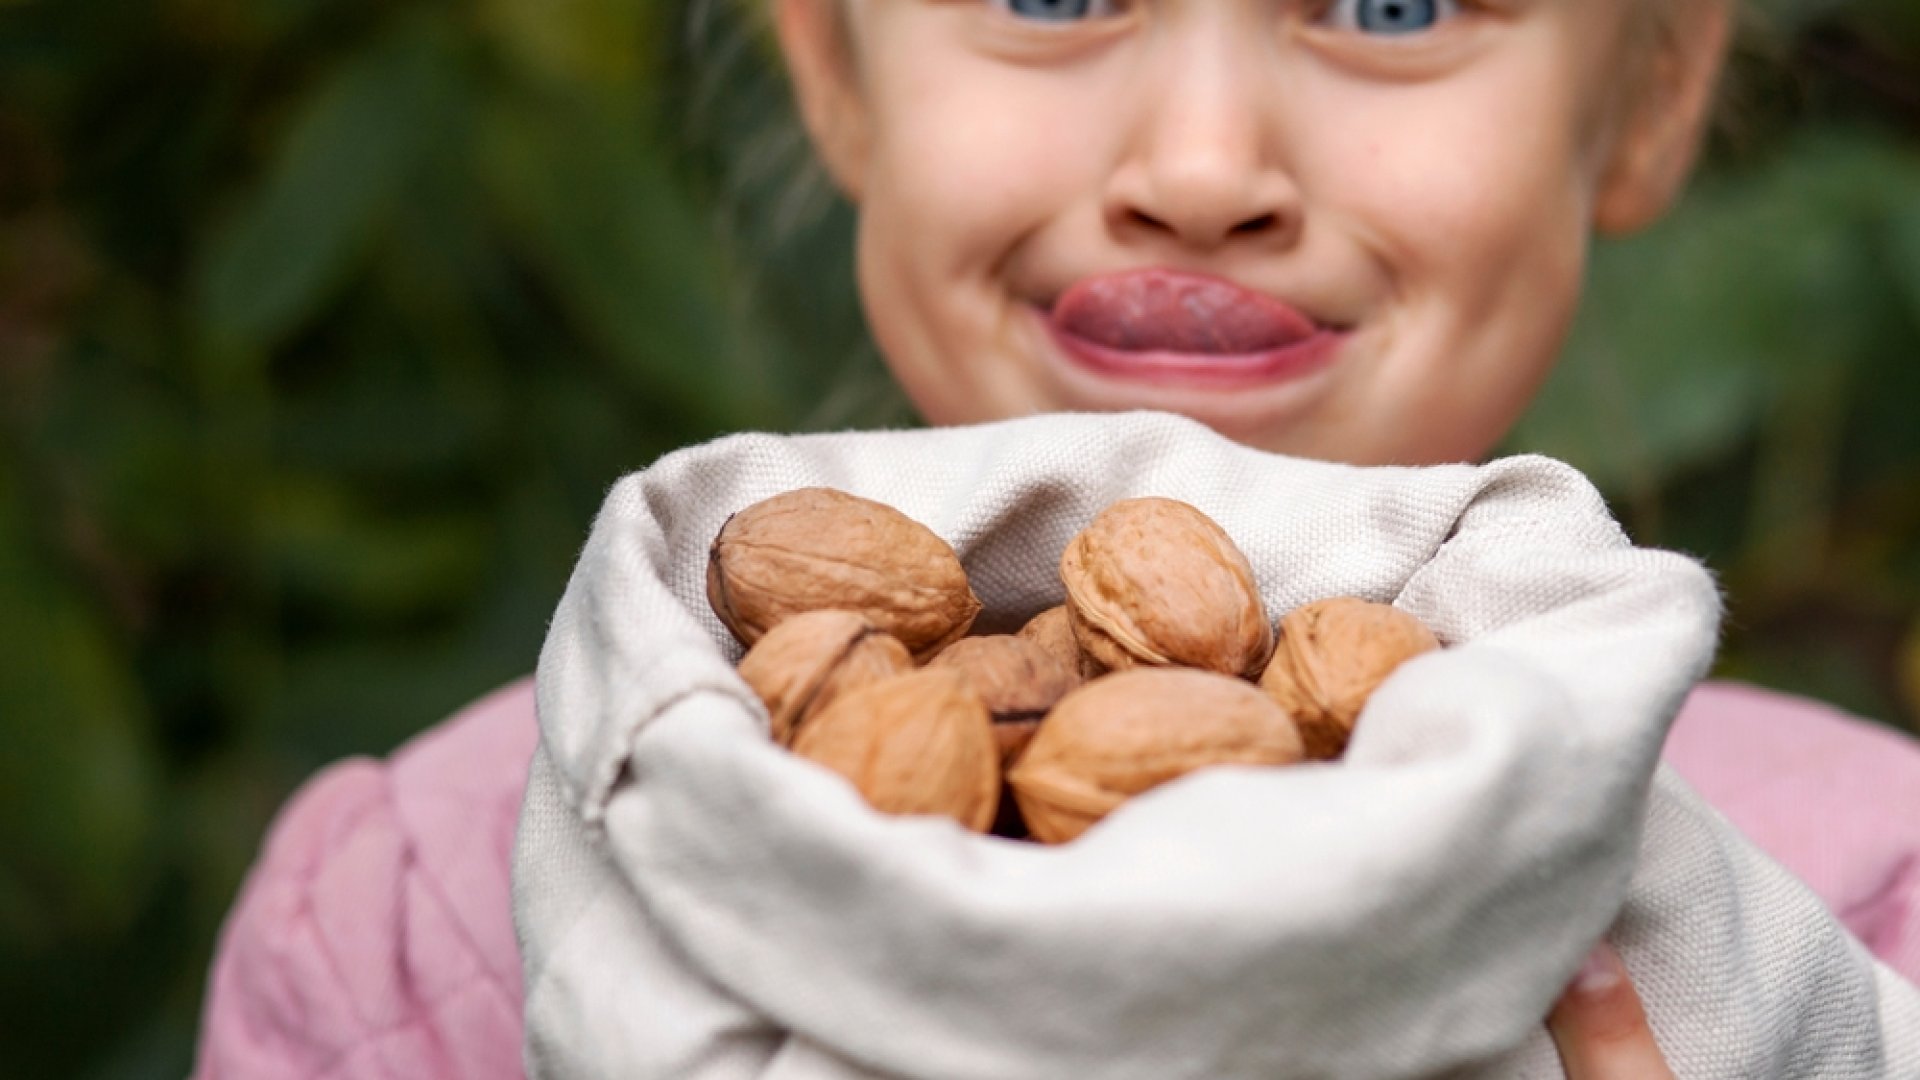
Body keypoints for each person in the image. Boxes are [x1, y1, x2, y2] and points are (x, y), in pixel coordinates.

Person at [191, 0, 1920, 1076]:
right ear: (835, 66)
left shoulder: (1870, 925)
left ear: (1649, 92)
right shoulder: (408, 945)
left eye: (1395, 3)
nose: (1201, 164)